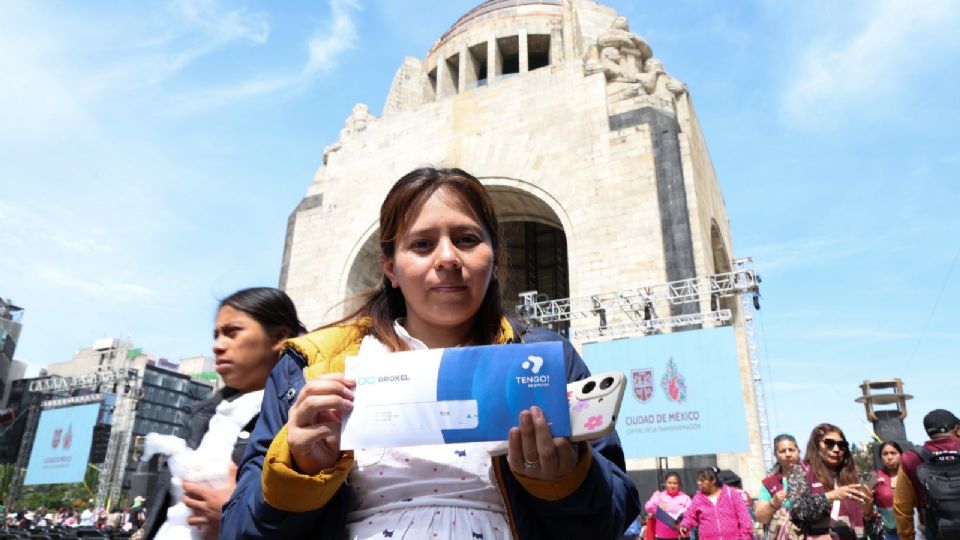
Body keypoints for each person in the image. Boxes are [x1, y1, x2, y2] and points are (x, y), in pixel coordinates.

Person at [220, 167, 640, 539]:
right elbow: (240, 527)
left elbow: (612, 518)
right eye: (421, 244)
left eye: (467, 239)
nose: (448, 259)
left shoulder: (546, 358)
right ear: (390, 268)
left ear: (493, 258)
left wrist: (565, 478)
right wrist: (300, 469)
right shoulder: (310, 365)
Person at [141, 287, 305, 540]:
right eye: (216, 334)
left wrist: (241, 517)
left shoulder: (301, 415)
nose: (217, 346)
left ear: (280, 337)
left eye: (232, 332)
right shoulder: (203, 417)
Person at [786, 423, 881, 540]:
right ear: (817, 445)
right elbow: (797, 510)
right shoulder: (801, 471)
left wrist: (868, 512)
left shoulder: (855, 477)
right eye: (829, 444)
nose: (836, 449)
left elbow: (876, 532)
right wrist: (830, 496)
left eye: (842, 445)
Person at [894, 408, 960, 540]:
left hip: (935, 532)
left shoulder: (912, 458)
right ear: (957, 429)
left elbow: (902, 507)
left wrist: (907, 536)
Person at [678, 467, 753, 540]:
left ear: (713, 480)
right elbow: (690, 515)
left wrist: (745, 537)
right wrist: (684, 525)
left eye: (702, 481)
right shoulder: (698, 499)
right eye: (698, 480)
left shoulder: (731, 494)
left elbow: (744, 518)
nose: (699, 483)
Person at [755, 434, 802, 538]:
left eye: (791, 450)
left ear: (798, 451)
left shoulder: (811, 475)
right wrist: (773, 503)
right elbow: (760, 517)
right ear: (775, 455)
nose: (788, 454)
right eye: (782, 451)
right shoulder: (769, 483)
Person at [645, 472, 692, 539]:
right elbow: (648, 507)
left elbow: (691, 513)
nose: (672, 486)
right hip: (662, 536)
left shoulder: (685, 498)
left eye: (675, 483)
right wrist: (658, 509)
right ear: (665, 483)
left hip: (681, 536)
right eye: (669, 483)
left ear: (679, 485)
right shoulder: (659, 495)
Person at [873, 441, 902, 539]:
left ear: (901, 454)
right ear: (881, 457)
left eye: (893, 453)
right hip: (890, 534)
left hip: (915, 530)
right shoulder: (875, 478)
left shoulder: (911, 475)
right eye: (885, 454)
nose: (889, 457)